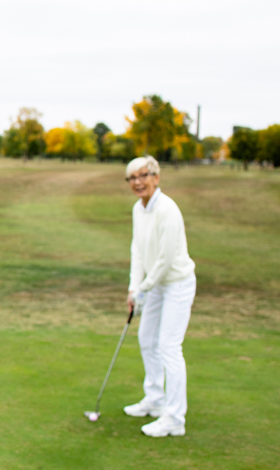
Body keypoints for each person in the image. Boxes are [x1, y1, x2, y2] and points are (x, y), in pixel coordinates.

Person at [122, 156, 196, 438]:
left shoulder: (167, 209)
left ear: (156, 177)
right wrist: (134, 286)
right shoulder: (137, 209)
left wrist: (143, 288)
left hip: (177, 283)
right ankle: (155, 399)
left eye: (143, 175)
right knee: (146, 339)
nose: (138, 182)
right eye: (132, 178)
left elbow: (165, 259)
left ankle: (175, 418)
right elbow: (137, 250)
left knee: (169, 346)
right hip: (154, 286)